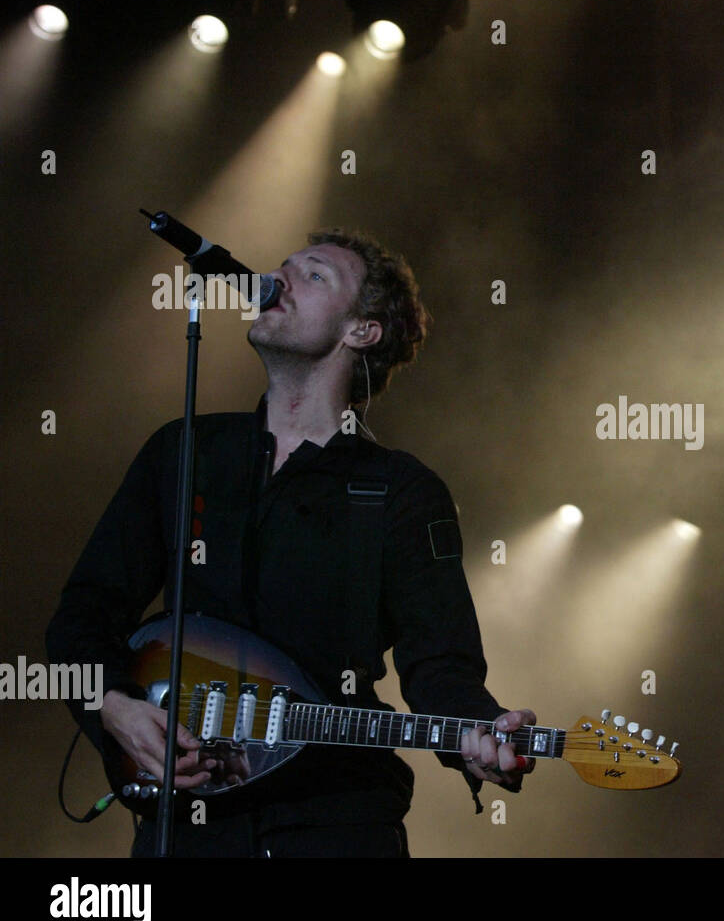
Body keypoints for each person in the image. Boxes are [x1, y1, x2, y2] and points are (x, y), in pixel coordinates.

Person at [45, 228, 532, 857]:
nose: (280, 277)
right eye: (283, 266)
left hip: (334, 826)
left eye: (315, 275)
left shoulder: (399, 491)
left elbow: (441, 664)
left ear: (363, 331)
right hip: (190, 833)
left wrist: (480, 736)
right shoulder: (185, 452)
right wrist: (114, 708)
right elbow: (83, 616)